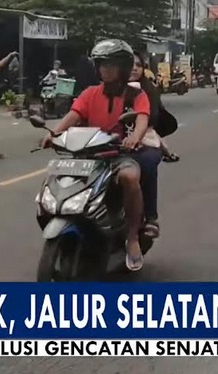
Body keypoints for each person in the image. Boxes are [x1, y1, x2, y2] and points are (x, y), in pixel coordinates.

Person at [41, 39, 150, 271]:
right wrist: (55, 133)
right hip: (87, 157)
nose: (105, 69)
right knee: (56, 175)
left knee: (130, 178)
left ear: (122, 67)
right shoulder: (90, 93)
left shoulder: (135, 96)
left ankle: (131, 237)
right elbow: (74, 114)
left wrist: (134, 138)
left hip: (118, 155)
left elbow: (141, 118)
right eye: (102, 65)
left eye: (110, 65)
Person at [130, 51, 179, 239]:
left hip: (144, 138)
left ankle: (150, 217)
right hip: (107, 140)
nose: (134, 68)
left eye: (138, 65)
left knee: (147, 163)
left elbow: (149, 118)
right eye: (130, 64)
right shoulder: (105, 89)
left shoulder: (146, 90)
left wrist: (135, 134)